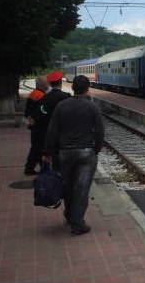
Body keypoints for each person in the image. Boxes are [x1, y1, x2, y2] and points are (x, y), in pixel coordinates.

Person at [43, 75, 105, 236]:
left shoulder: (61, 106)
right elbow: (100, 131)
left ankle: (70, 215)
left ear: (72, 88)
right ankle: (77, 223)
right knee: (82, 189)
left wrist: (48, 152)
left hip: (64, 153)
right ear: (87, 88)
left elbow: (52, 131)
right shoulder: (92, 107)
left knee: (67, 186)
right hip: (85, 153)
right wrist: (96, 149)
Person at [31, 72, 71, 175]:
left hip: (48, 133)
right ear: (61, 83)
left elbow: (39, 116)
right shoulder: (66, 97)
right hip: (64, 136)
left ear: (50, 84)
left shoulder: (44, 98)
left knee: (53, 164)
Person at [22, 77, 48, 175]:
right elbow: (43, 112)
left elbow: (27, 111)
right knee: (39, 148)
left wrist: (30, 120)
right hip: (40, 126)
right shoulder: (41, 96)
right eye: (46, 84)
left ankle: (32, 168)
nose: (48, 85)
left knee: (36, 148)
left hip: (34, 126)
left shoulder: (33, 94)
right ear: (41, 85)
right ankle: (32, 168)